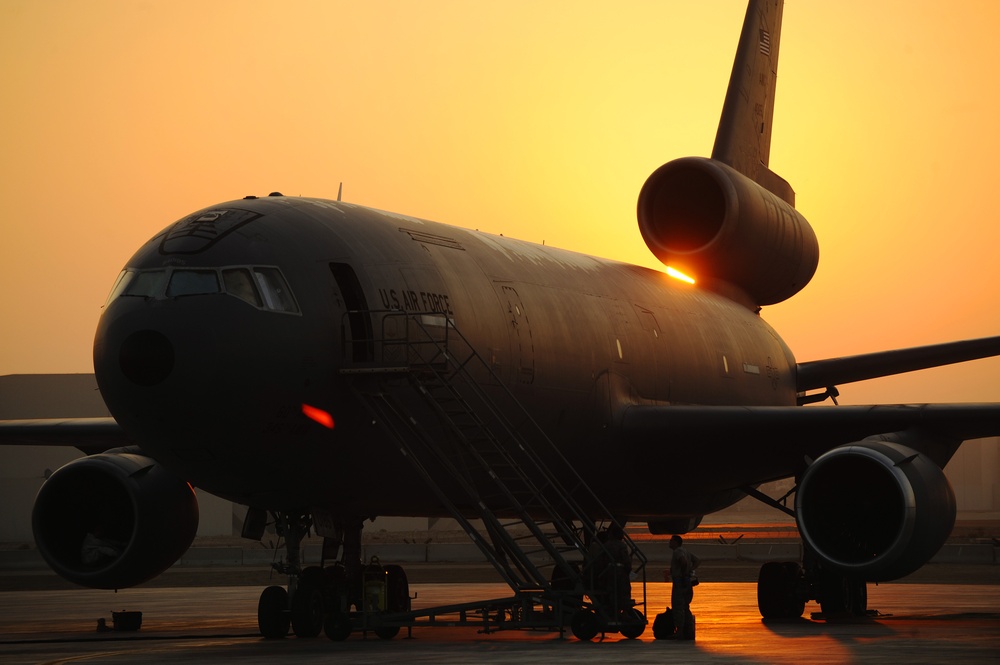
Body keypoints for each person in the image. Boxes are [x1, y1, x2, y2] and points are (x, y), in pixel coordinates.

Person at [668, 534, 696, 639]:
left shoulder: (677, 552)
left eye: (671, 541)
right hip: (687, 581)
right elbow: (697, 561)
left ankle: (679, 632)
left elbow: (683, 561)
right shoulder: (686, 551)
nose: (669, 542)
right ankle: (688, 630)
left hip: (680, 581)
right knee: (685, 606)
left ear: (676, 542)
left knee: (678, 606)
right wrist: (690, 570)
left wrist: (684, 574)